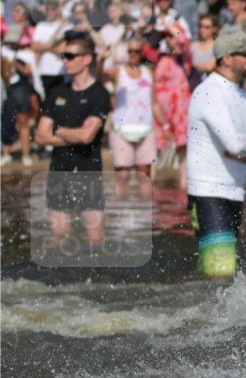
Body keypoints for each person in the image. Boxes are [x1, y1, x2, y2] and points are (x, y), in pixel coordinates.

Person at [186, 29, 246, 278]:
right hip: (207, 191)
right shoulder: (209, 92)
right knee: (222, 269)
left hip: (234, 190)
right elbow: (234, 145)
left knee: (219, 268)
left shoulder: (242, 95)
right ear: (226, 59)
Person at [34, 34, 112, 247]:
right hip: (59, 171)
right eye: (63, 56)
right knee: (58, 238)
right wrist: (73, 135)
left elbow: (87, 136)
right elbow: (40, 135)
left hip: (89, 172)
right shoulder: (57, 92)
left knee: (95, 240)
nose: (65, 61)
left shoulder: (99, 94)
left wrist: (57, 130)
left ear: (87, 59)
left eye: (70, 56)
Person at [107, 37, 161, 200]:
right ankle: (120, 213)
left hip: (145, 127)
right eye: (130, 51)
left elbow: (154, 103)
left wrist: (165, 127)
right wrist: (104, 57)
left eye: (137, 51)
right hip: (121, 128)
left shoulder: (148, 72)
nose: (133, 54)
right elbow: (101, 74)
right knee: (122, 176)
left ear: (142, 53)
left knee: (144, 175)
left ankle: (145, 215)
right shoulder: (118, 72)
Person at [154, 26, 192, 190]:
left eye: (172, 37)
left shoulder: (184, 60)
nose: (168, 40)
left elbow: (184, 43)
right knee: (155, 155)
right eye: (166, 38)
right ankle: (152, 197)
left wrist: (174, 28)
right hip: (161, 115)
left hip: (181, 114)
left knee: (184, 154)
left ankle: (183, 192)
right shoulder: (161, 58)